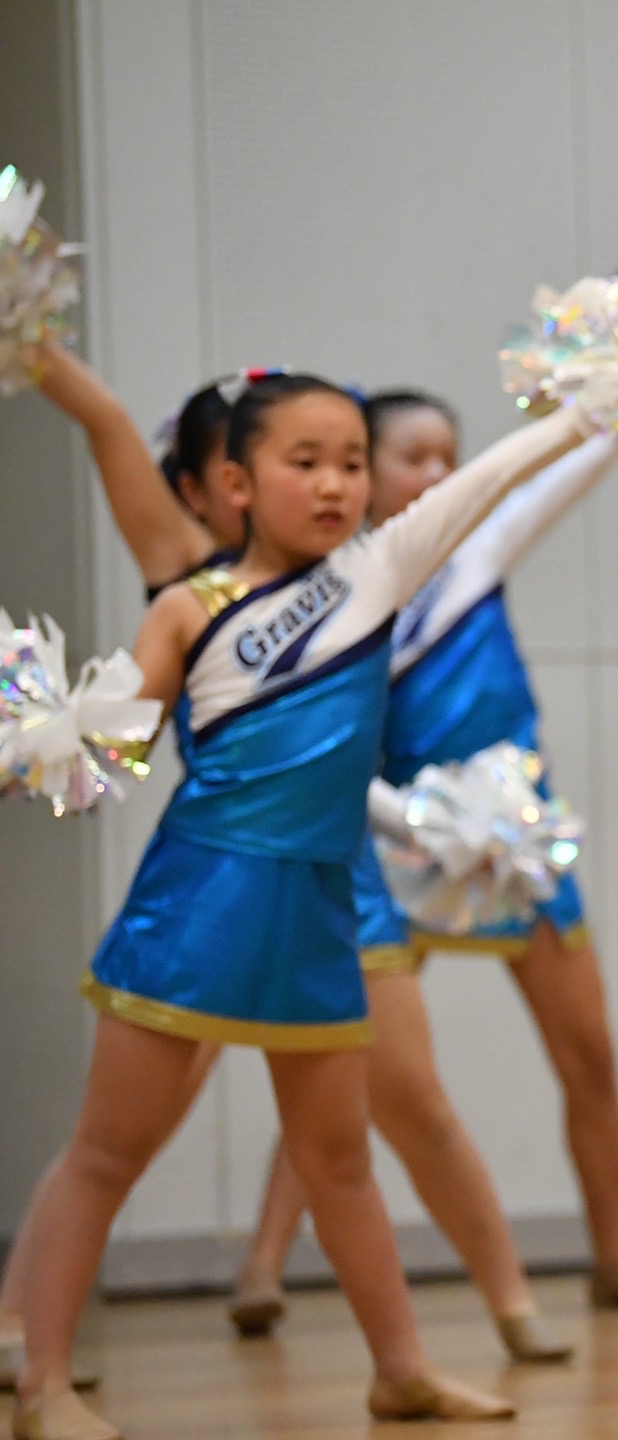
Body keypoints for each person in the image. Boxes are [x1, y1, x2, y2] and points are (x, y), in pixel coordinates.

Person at [8, 375, 593, 1439]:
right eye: (304, 462)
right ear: (233, 481)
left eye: (351, 464)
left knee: (340, 1162)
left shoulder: (381, 568)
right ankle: (42, 1383)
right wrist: (38, 743)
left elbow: (492, 480)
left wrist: (597, 408)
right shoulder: (192, 602)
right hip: (201, 899)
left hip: (323, 904)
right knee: (104, 1153)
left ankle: (400, 1370)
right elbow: (125, 736)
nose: (334, 484)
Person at [220, 391, 618, 1359]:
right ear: (370, 476)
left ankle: (614, 1255)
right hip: (401, 843)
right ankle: (260, 1265)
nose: (437, 472)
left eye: (450, 454)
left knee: (588, 1050)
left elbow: (558, 475)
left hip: (519, 844)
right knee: (341, 1066)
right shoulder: (343, 592)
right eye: (416, 456)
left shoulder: (474, 559)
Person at [0, 362, 264, 1393]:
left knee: (363, 1112)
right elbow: (102, 414)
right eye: (239, 463)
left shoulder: (344, 580)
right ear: (199, 488)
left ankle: (383, 1341)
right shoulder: (187, 570)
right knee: (121, 1135)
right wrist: (28, 320)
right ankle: (25, 1328)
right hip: (220, 884)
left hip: (331, 874)